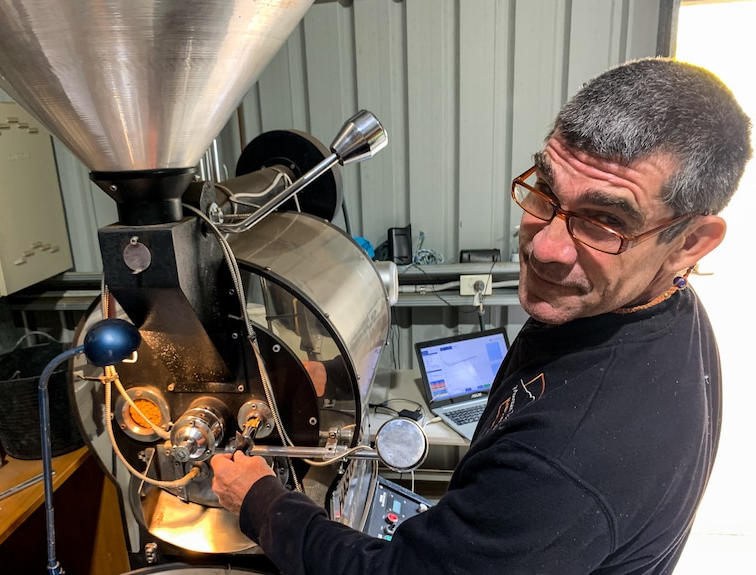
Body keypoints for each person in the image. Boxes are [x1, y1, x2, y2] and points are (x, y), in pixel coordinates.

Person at [210, 57, 752, 575]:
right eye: (544, 191)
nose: (545, 248)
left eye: (604, 222)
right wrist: (325, 380)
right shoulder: (644, 309)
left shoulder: (569, 458)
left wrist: (259, 500)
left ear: (691, 243)